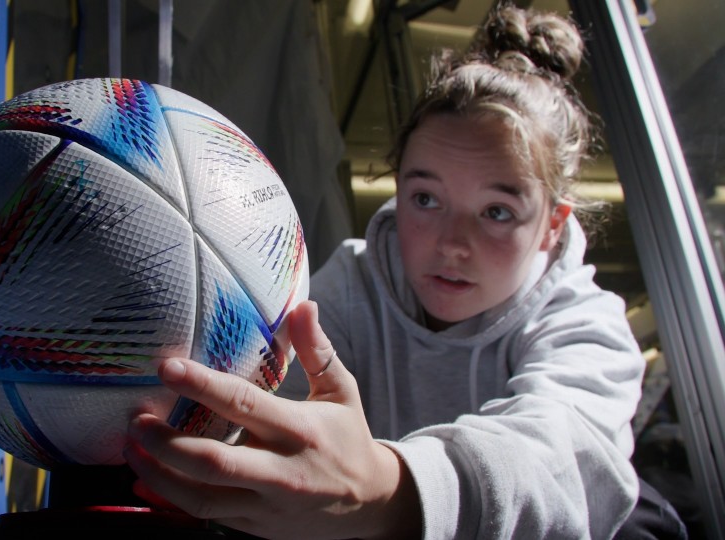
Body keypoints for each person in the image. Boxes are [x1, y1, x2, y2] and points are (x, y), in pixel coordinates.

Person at [123, 4, 650, 538]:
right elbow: (271, 409)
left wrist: (388, 489)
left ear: (553, 226)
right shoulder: (355, 281)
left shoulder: (587, 326)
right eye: (425, 198)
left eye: (497, 211)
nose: (451, 243)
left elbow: (561, 461)